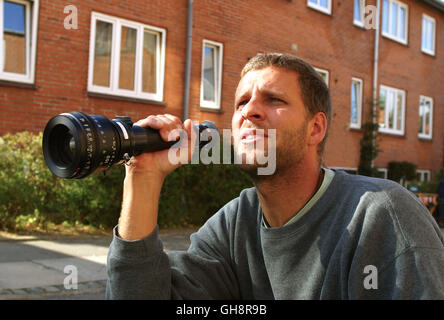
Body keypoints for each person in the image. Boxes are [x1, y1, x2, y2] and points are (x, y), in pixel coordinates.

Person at [106, 53, 444, 299]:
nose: (249, 111)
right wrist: (143, 177)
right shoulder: (234, 225)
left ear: (316, 128)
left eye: (274, 99)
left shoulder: (382, 215)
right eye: (241, 103)